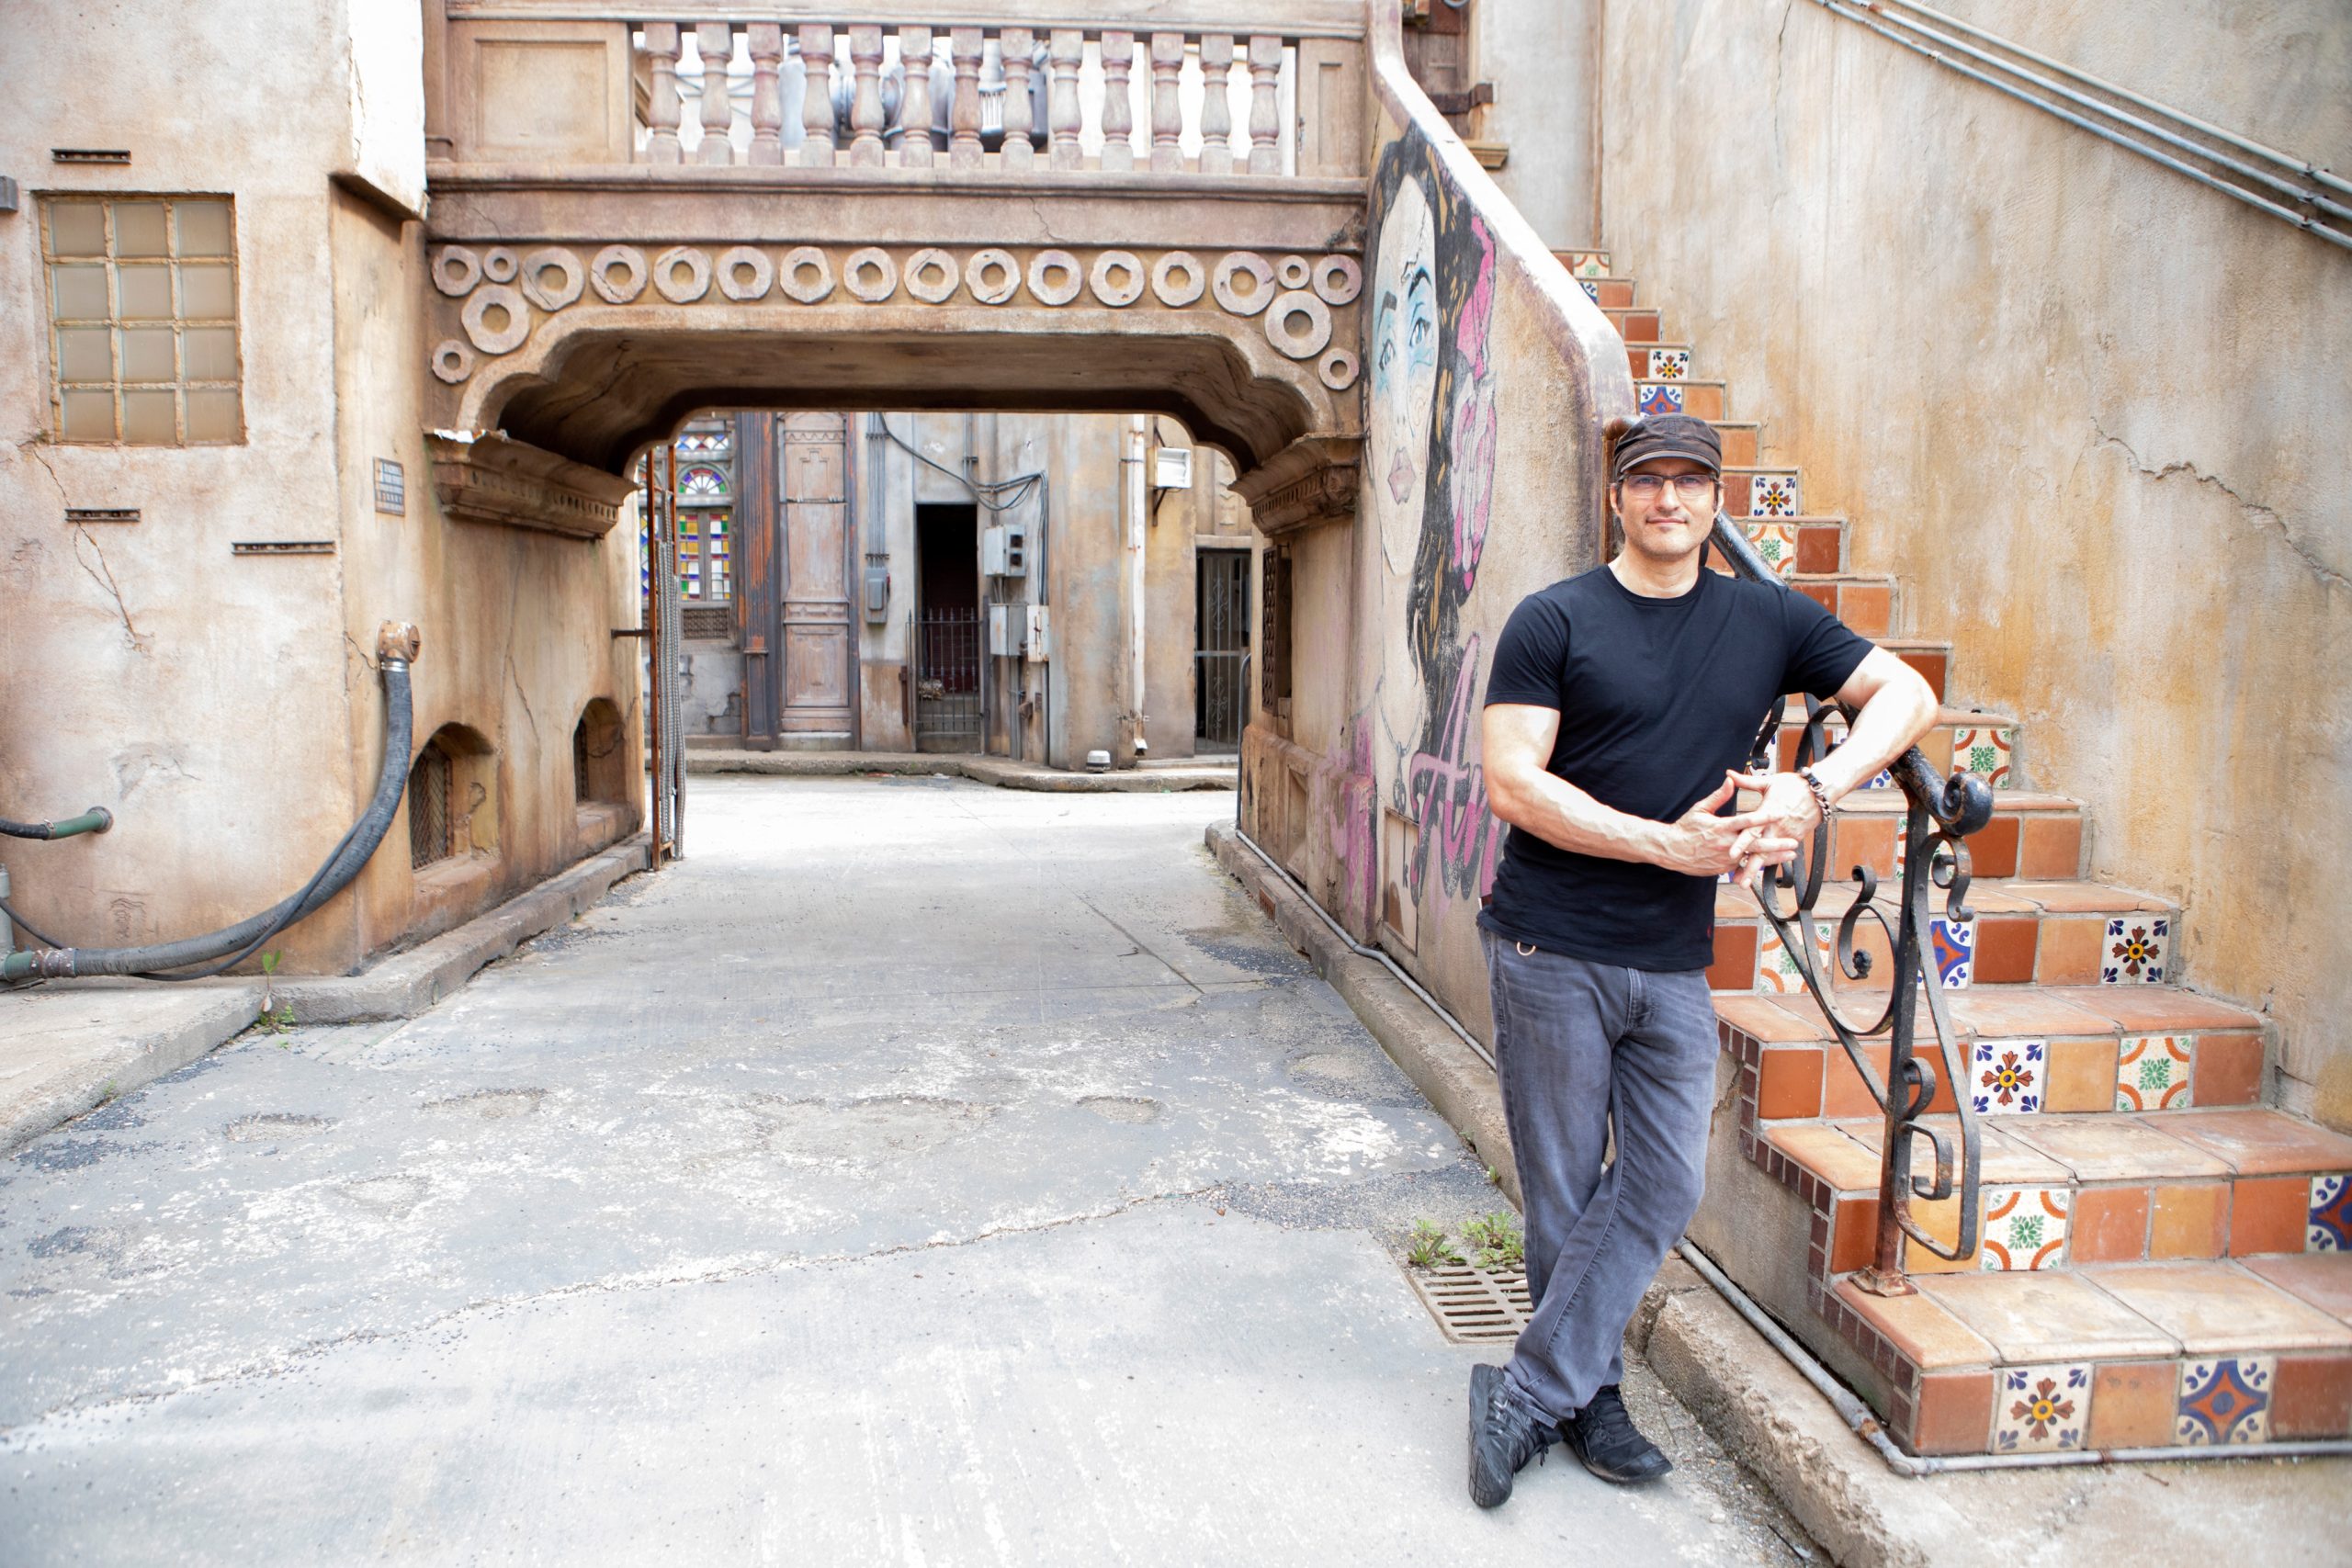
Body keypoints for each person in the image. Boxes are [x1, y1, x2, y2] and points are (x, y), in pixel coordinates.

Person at [1465, 413, 1938, 1506]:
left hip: (1671, 960)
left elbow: (1906, 698)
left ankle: (1532, 1390)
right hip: (1550, 944)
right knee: (1560, 1195)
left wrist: (1815, 787)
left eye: (1689, 482)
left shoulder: (1767, 618)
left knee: (1667, 1181)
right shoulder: (1554, 620)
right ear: (1617, 499)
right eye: (1647, 481)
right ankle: (1591, 1398)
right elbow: (1513, 783)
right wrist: (1666, 844)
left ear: (1718, 500)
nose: (1667, 499)